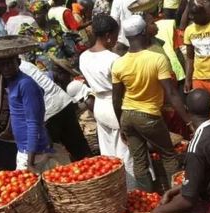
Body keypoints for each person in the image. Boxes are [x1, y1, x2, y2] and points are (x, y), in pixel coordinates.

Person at [112, 15, 190, 191]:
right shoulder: (156, 58)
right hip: (148, 116)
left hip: (127, 116)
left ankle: (148, 199)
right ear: (143, 33)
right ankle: (176, 195)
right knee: (168, 156)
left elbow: (116, 99)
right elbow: (171, 93)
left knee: (140, 161)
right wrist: (189, 120)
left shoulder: (119, 64)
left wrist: (121, 125)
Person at [0, 38, 53, 173]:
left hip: (34, 152)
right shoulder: (11, 83)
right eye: (2, 65)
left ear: (19, 62)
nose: (6, 68)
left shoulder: (25, 84)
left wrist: (30, 162)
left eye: (10, 63)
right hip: (25, 149)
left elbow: (34, 122)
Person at [79, 14, 135, 184]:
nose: (117, 40)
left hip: (99, 105)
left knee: (108, 149)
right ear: (108, 35)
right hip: (116, 104)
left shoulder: (84, 57)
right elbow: (123, 87)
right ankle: (132, 188)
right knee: (126, 150)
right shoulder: (114, 59)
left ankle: (112, 184)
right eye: (116, 35)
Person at [18, 59, 92, 162]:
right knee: (80, 149)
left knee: (54, 157)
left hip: (48, 112)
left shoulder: (10, 71)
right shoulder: (24, 63)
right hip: (63, 102)